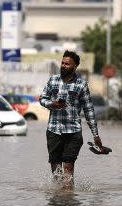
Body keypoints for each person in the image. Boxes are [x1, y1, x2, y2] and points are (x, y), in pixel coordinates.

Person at [39, 51, 102, 189]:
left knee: (68, 167)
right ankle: (57, 201)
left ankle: (68, 202)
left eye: (67, 64)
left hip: (73, 132)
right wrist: (52, 104)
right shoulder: (53, 80)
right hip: (53, 130)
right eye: (62, 63)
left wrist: (95, 134)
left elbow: (89, 110)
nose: (63, 66)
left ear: (75, 66)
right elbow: (42, 99)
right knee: (56, 170)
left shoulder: (81, 85)